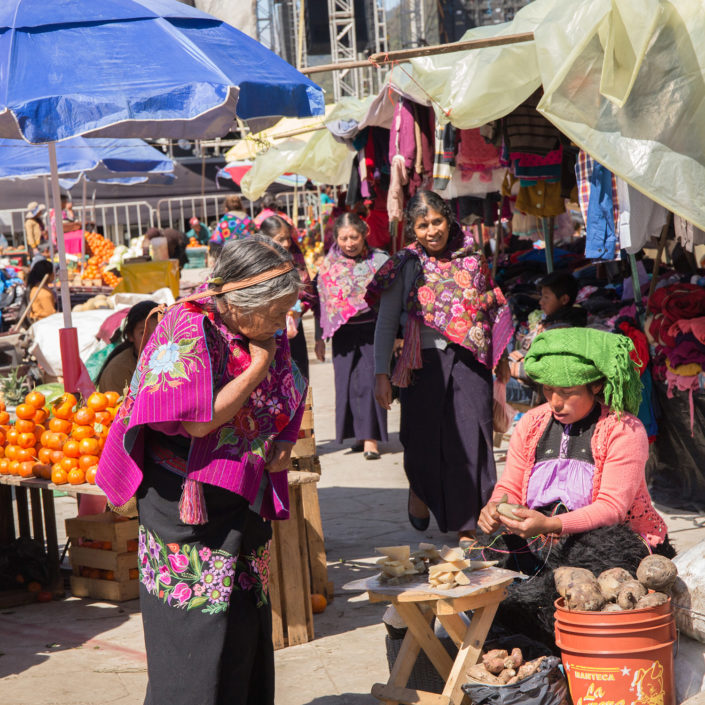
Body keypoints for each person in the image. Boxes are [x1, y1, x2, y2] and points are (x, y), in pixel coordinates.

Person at [97, 236, 307, 705]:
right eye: (275, 310)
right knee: (193, 632)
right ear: (236, 303)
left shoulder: (267, 332)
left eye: (287, 310)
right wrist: (258, 365)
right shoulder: (186, 327)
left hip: (239, 490)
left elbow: (292, 385)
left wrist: (286, 441)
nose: (282, 322)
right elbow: (198, 421)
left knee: (242, 623)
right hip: (181, 502)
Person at [475, 327, 674, 646]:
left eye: (567, 392)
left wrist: (552, 524)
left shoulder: (624, 430)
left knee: (572, 583)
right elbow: (509, 486)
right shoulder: (531, 423)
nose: (555, 401)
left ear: (596, 384)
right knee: (485, 553)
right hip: (539, 532)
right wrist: (494, 506)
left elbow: (610, 509)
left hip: (603, 536)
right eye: (548, 389)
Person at [372, 191, 512, 537]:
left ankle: (468, 524)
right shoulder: (405, 264)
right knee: (420, 440)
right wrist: (380, 373)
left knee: (471, 439)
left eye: (437, 221)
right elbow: (387, 321)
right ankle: (420, 489)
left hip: (471, 360)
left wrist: (502, 358)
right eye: (423, 225)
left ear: (449, 220)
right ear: (413, 229)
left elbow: (490, 308)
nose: (432, 230)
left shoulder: (472, 259)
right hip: (423, 363)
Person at [315, 213, 390, 459]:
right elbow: (321, 303)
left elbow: (391, 297)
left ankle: (371, 440)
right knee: (347, 385)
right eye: (344, 238)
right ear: (336, 238)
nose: (349, 243)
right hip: (342, 334)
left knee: (371, 383)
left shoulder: (379, 261)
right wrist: (319, 336)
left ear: (364, 234)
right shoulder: (327, 266)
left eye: (354, 237)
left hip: (373, 330)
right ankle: (358, 435)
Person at [258, 215, 315, 379]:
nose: (286, 244)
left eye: (288, 238)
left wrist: (300, 308)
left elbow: (309, 294)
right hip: (266, 332)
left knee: (299, 378)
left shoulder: (295, 259)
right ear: (265, 240)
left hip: (294, 328)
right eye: (280, 239)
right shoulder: (254, 264)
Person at [96, 301, 158, 395]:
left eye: (158, 332)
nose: (152, 340)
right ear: (130, 336)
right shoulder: (118, 370)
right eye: (143, 333)